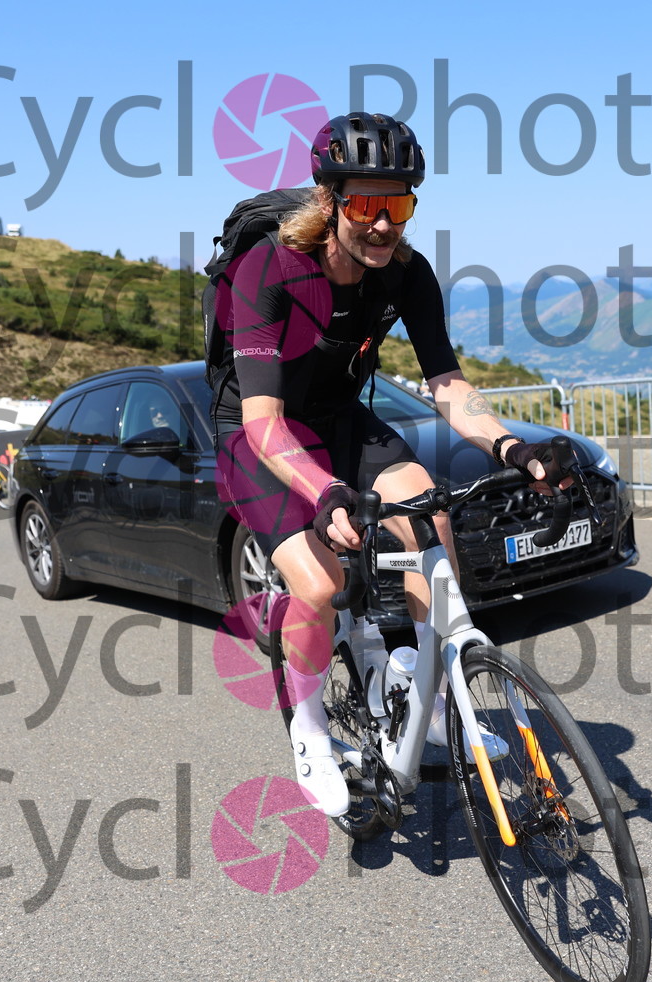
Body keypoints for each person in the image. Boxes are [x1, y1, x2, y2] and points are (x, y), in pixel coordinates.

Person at [209, 112, 577, 816]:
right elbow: (262, 421)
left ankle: (428, 687)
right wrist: (326, 491)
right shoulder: (270, 270)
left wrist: (513, 447)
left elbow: (448, 384)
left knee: (430, 519)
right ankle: (310, 729)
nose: (384, 224)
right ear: (330, 202)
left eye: (399, 205)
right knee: (319, 583)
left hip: (340, 418)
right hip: (260, 433)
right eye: (366, 206)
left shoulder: (407, 273)